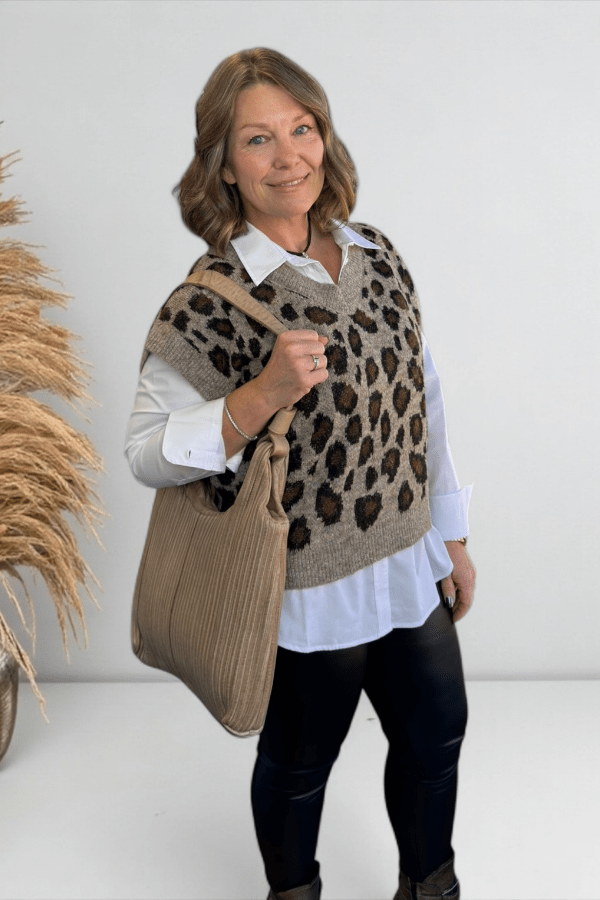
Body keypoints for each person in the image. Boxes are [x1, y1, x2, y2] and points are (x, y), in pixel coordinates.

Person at [125, 48, 475, 900]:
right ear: (224, 165)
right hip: (305, 586)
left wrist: (453, 533)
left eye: (302, 129)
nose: (289, 157)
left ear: (325, 137)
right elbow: (145, 453)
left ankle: (431, 887)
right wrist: (257, 396)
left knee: (437, 737)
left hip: (405, 557)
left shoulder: (379, 254)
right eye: (258, 140)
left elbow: (420, 397)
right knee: (300, 765)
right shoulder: (205, 301)